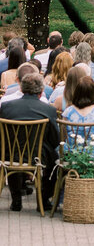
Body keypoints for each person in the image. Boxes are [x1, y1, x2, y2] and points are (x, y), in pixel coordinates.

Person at [2, 72, 60, 211]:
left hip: (10, 155)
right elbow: (55, 139)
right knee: (55, 159)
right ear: (41, 91)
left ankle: (16, 200)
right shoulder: (49, 110)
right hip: (39, 156)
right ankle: (44, 200)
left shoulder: (6, 107)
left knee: (11, 150)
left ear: (21, 88)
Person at [62, 75, 94, 158]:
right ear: (93, 93)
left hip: (71, 155)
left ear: (76, 92)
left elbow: (63, 136)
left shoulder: (68, 112)